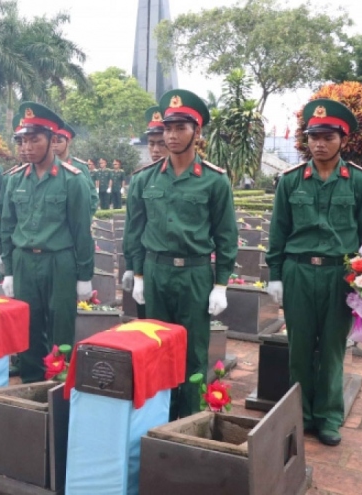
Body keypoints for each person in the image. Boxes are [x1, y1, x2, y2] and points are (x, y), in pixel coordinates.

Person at [266, 99, 362, 446]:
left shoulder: (360, 182)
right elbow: (278, 231)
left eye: (328, 136)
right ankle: (301, 414)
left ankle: (328, 416)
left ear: (342, 139)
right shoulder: (290, 181)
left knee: (331, 348)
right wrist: (276, 275)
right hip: (299, 273)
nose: (319, 143)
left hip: (338, 277)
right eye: (313, 136)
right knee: (299, 348)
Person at [126, 89, 237, 420]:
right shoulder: (144, 179)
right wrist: (137, 274)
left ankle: (189, 420)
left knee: (192, 352)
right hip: (155, 272)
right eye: (167, 129)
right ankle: (158, 416)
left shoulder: (215, 182)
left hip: (194, 275)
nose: (171, 136)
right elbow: (134, 231)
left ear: (197, 132)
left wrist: (221, 284)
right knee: (155, 347)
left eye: (180, 128)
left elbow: (226, 235)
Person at [2, 102, 94, 382]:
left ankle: (58, 388)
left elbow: (81, 231)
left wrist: (84, 276)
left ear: (53, 141)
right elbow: (7, 227)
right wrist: (7, 269)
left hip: (60, 262)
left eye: (34, 140)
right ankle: (31, 386)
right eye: (22, 141)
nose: (26, 147)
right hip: (24, 262)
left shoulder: (72, 180)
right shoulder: (15, 180)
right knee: (27, 329)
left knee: (60, 329)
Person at [121, 106, 168, 319]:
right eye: (151, 143)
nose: (156, 150)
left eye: (161, 143)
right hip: (150, 267)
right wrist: (132, 268)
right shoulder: (141, 179)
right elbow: (134, 228)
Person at [53, 123, 98, 218]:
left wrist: (86, 220)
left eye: (59, 141)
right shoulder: (46, 166)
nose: (55, 145)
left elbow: (92, 197)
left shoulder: (79, 166)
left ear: (68, 142)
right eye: (53, 141)